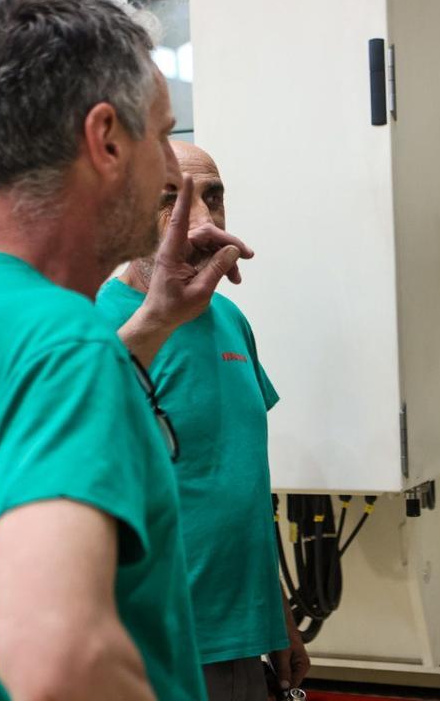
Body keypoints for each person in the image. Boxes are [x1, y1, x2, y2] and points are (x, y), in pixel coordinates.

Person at [0, 0, 250, 700]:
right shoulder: (63, 345)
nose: (171, 168)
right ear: (105, 140)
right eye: (162, 135)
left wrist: (153, 322)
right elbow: (61, 660)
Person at [97, 142, 310, 701]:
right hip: (152, 648)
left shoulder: (230, 320)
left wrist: (278, 617)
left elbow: (239, 484)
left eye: (212, 198)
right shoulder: (95, 326)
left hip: (243, 638)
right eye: (172, 200)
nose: (202, 222)